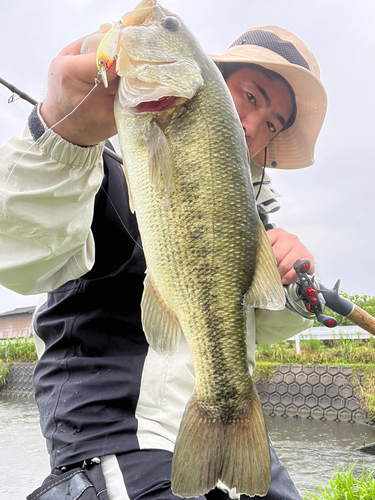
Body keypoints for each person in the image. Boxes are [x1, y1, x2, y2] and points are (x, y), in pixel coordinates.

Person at [0, 19, 327, 500]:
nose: (254, 126)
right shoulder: (94, 164)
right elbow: (15, 255)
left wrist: (291, 287)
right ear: (210, 81)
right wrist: (62, 135)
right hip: (119, 437)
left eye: (272, 123)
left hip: (217, 424)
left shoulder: (250, 218)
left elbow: (248, 319)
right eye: (252, 97)